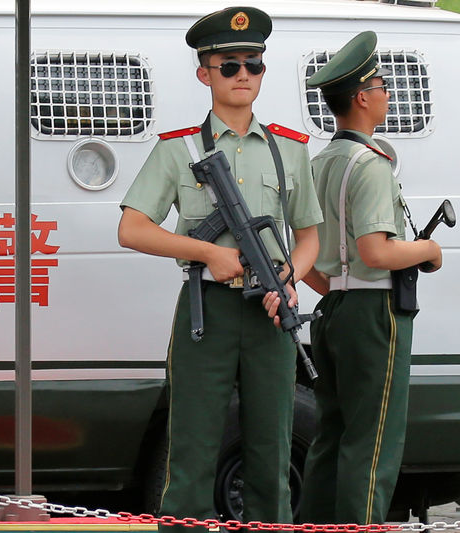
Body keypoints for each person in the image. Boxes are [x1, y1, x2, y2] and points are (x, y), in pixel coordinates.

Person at [117, 6, 322, 527]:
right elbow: (132, 228)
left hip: (271, 313)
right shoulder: (180, 148)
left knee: (271, 449)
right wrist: (206, 251)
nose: (242, 76)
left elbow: (310, 237)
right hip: (205, 311)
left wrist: (289, 279)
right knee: (191, 446)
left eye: (253, 65)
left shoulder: (288, 150)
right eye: (228, 65)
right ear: (203, 72)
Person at [299, 31, 443, 525]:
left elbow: (310, 255)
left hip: (332, 309)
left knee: (331, 436)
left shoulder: (320, 163)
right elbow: (376, 251)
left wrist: (337, 288)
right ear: (362, 97)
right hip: (375, 314)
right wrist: (428, 250)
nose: (387, 93)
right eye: (382, 85)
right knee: (374, 441)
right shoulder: (372, 165)